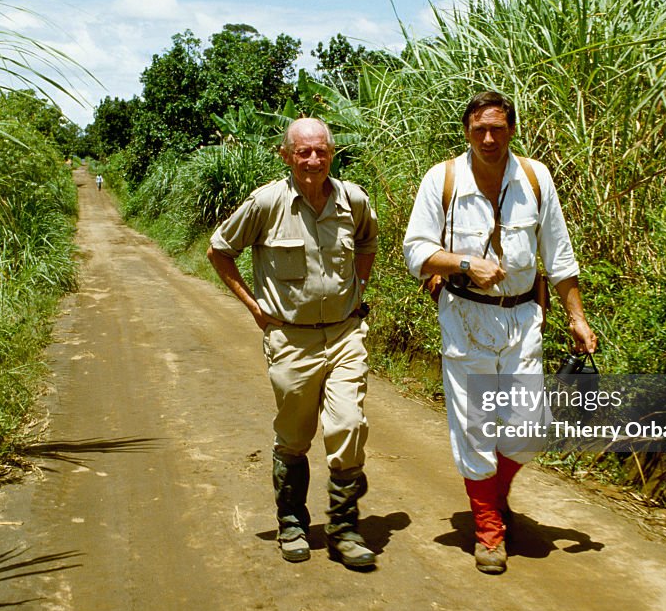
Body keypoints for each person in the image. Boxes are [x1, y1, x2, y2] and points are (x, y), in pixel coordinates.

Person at [402, 91, 597, 574]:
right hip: (465, 319)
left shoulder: (534, 178)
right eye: (478, 129)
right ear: (466, 132)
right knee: (475, 426)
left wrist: (576, 316)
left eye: (498, 128)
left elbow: (559, 256)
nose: (488, 138)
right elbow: (415, 252)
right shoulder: (442, 179)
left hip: (524, 317)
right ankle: (488, 527)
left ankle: (496, 490)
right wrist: (465, 263)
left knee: (530, 428)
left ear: (511, 130)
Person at [207, 118, 379, 569]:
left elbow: (368, 242)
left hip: (345, 333)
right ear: (286, 155)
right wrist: (253, 305)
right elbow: (219, 250)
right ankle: (292, 521)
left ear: (332, 153)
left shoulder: (353, 200)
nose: (313, 161)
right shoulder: (266, 203)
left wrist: (359, 291)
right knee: (295, 437)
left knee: (347, 426)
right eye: (303, 152)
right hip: (291, 341)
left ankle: (344, 529)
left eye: (321, 151)